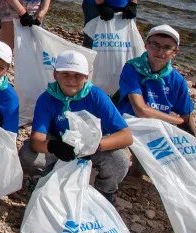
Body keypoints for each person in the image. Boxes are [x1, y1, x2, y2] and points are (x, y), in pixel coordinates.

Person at [21, 50, 133, 205]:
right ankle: (46, 177)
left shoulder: (96, 96)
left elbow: (126, 136)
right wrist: (54, 146)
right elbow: (36, 140)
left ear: (87, 76)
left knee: (120, 160)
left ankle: (105, 191)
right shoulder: (47, 98)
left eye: (77, 75)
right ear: (55, 74)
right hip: (61, 144)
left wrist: (96, 146)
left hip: (93, 148)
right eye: (65, 74)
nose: (71, 80)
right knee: (28, 154)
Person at [116, 25, 195, 130]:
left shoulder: (177, 80)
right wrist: (177, 120)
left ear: (175, 52)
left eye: (167, 48)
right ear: (146, 45)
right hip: (128, 124)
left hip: (157, 129)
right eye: (155, 45)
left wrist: (194, 134)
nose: (160, 51)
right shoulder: (132, 68)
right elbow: (140, 110)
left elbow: (186, 115)